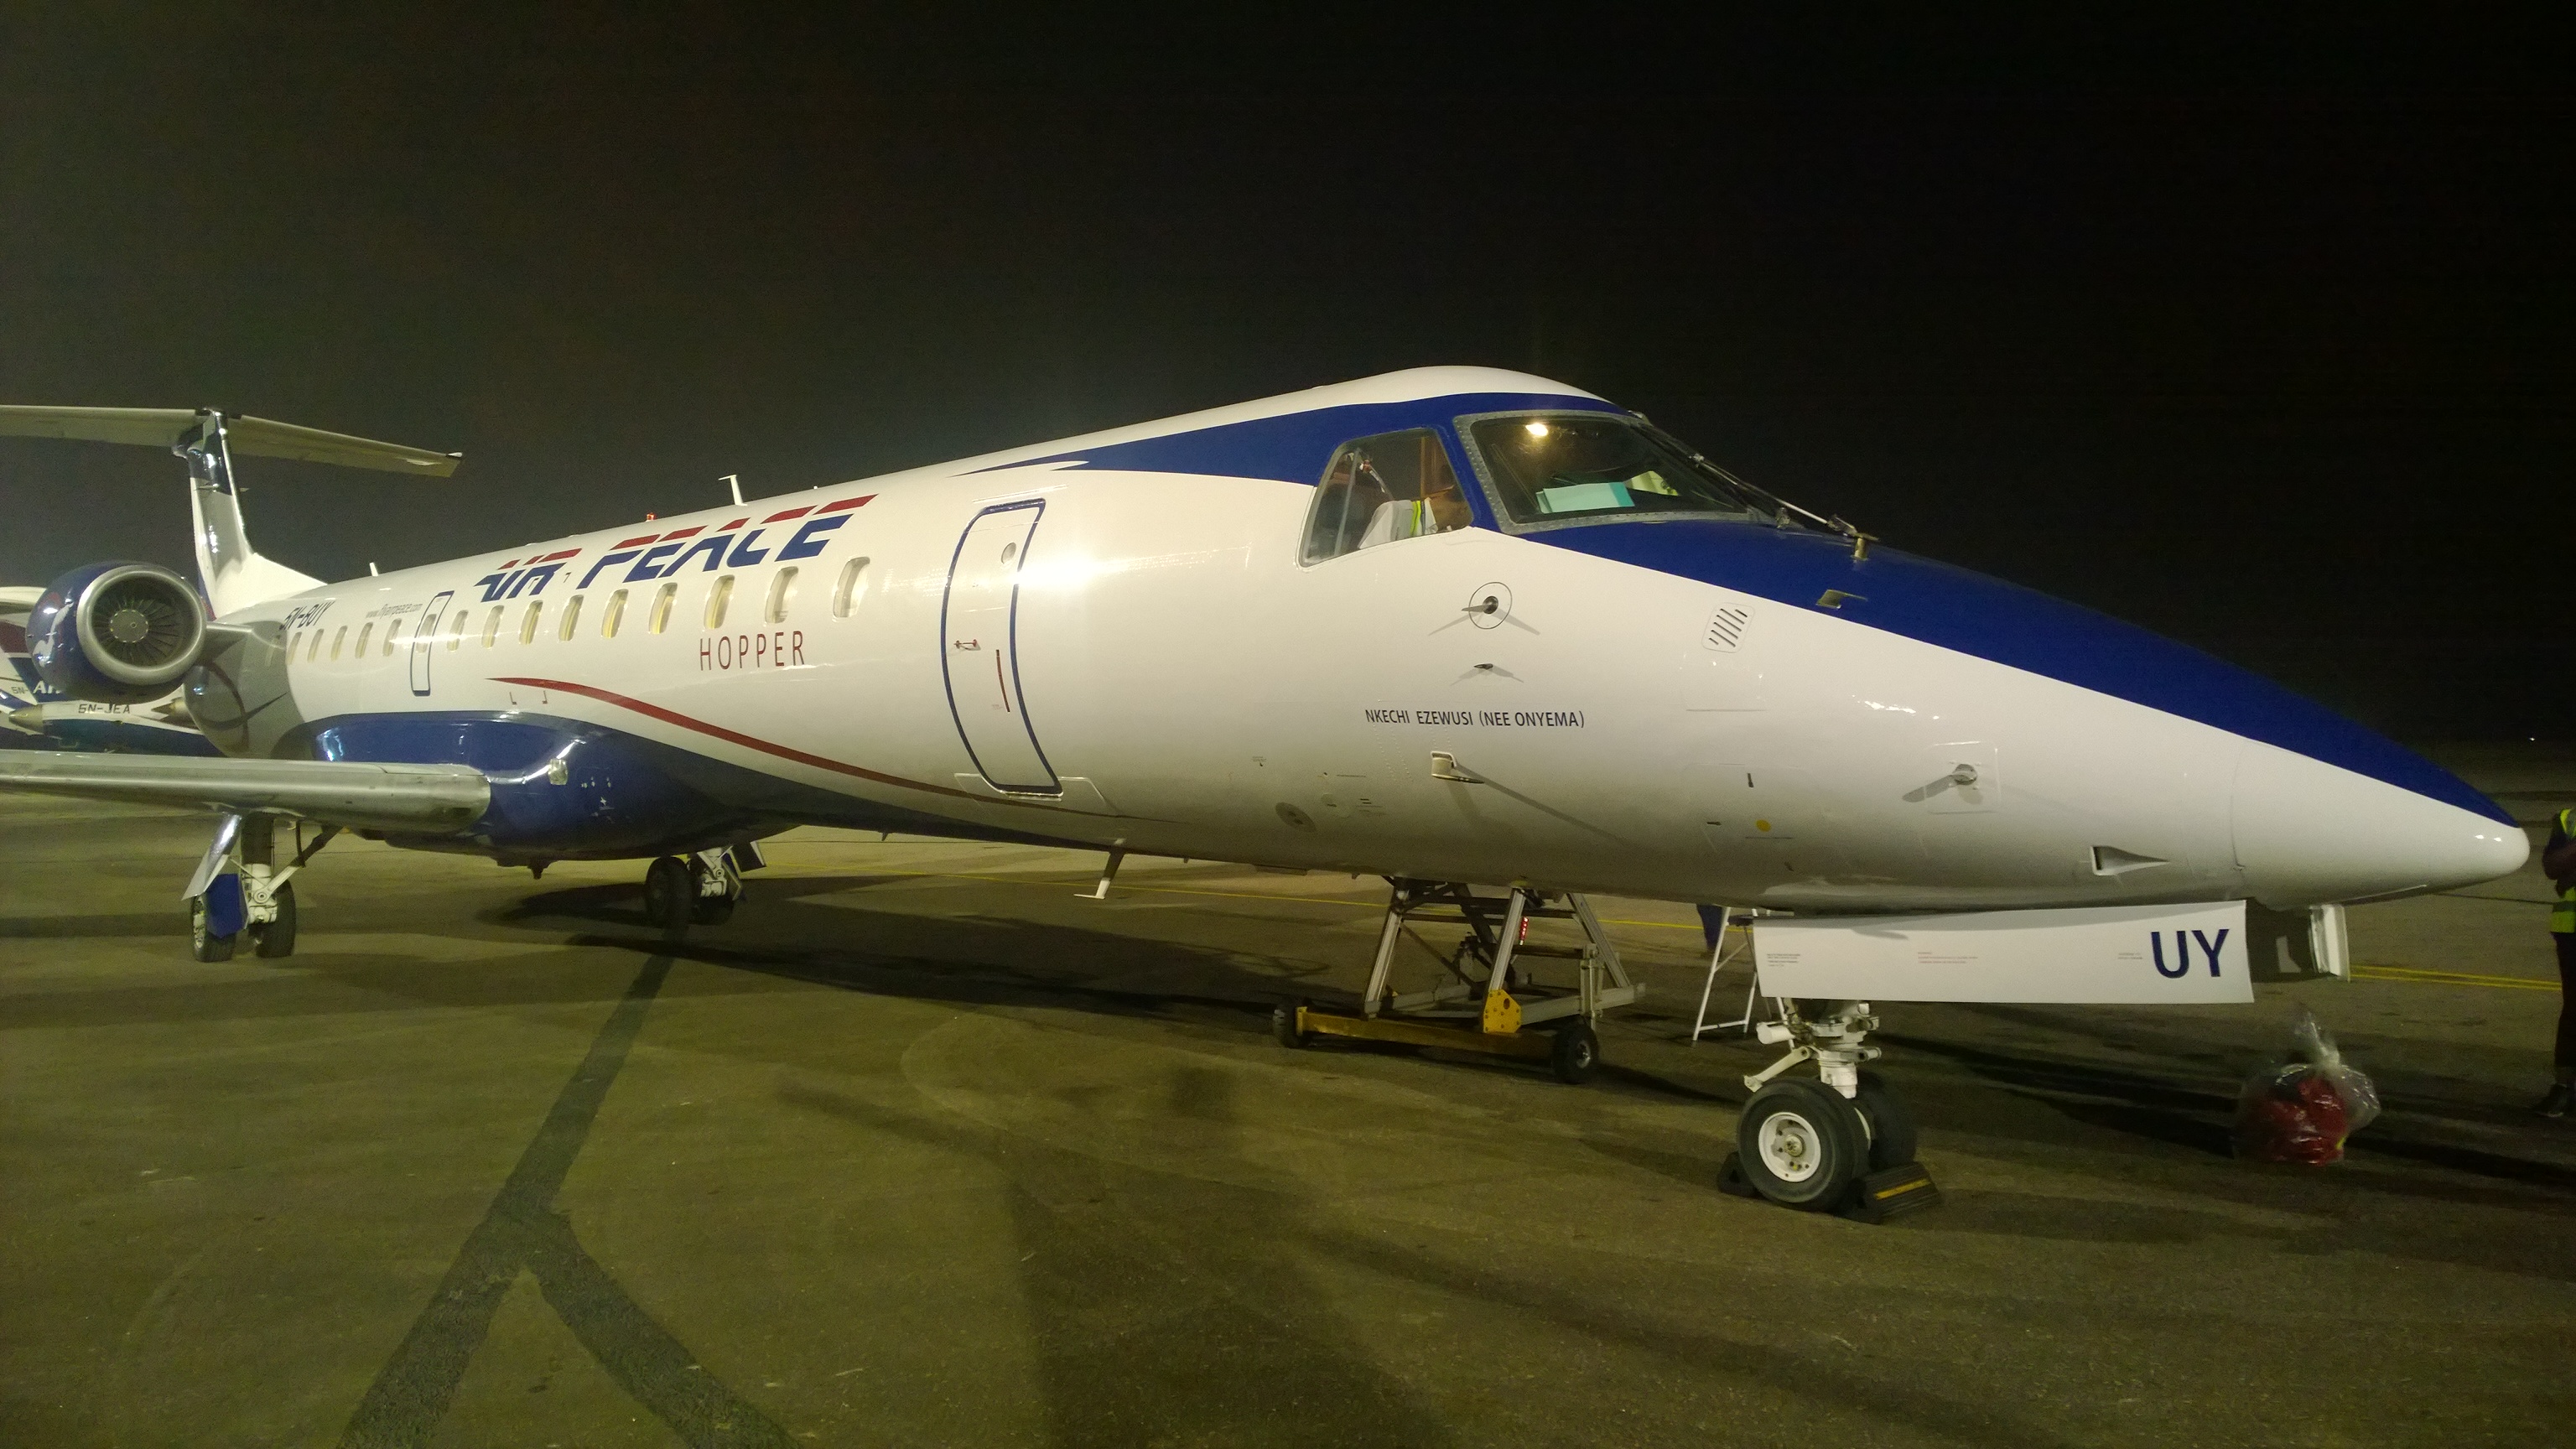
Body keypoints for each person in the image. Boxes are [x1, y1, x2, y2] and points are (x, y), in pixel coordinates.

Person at [2538, 807, 2576, 1118]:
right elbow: (2552, 867)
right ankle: (2564, 1086)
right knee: (2574, 1009)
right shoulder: (2568, 818)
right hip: (2571, 928)